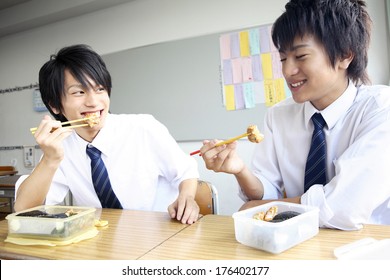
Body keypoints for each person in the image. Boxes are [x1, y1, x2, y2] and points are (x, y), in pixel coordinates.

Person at [200, 0, 390, 230]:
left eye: (300, 56)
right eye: (282, 58)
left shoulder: (380, 108)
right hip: (293, 240)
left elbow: (344, 206)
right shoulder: (279, 115)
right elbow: (264, 189)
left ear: (344, 55)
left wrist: (266, 208)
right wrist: (240, 170)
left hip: (365, 245)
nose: (288, 71)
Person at [14, 44, 200, 224]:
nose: (94, 102)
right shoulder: (60, 145)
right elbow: (24, 209)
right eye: (79, 92)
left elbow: (185, 171)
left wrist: (188, 197)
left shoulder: (143, 127)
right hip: (103, 240)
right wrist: (50, 159)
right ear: (54, 105)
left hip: (159, 231)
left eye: (100, 89)